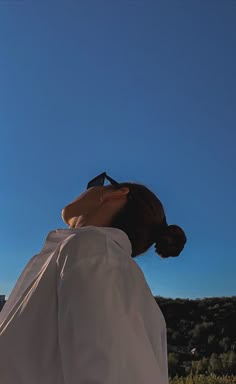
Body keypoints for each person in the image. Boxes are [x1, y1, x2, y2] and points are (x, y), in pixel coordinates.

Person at [0, 172, 187, 384]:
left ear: (116, 195)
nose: (85, 189)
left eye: (96, 183)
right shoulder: (93, 255)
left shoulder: (93, 251)